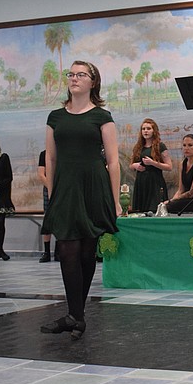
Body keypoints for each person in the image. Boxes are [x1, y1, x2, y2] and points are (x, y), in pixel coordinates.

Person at [40, 60, 121, 340]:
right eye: (71, 74)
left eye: (81, 74)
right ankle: (73, 314)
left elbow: (112, 160)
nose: (74, 78)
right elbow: (50, 157)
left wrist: (115, 200)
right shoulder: (55, 117)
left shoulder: (102, 116)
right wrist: (52, 190)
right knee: (67, 250)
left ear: (93, 82)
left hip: (93, 187)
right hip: (65, 189)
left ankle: (78, 316)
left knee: (87, 252)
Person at [130, 118, 172, 212]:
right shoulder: (138, 147)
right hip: (141, 182)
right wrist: (135, 166)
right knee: (140, 210)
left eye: (148, 128)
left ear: (154, 131)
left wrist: (153, 163)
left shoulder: (160, 146)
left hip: (155, 182)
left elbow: (169, 167)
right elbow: (131, 165)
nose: (145, 131)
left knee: (154, 209)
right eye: (143, 129)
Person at [37, 150, 57, 263]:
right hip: (48, 189)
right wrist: (51, 188)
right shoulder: (44, 154)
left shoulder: (65, 150)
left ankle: (59, 251)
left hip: (63, 188)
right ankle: (47, 252)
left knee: (63, 219)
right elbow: (41, 174)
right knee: (47, 218)